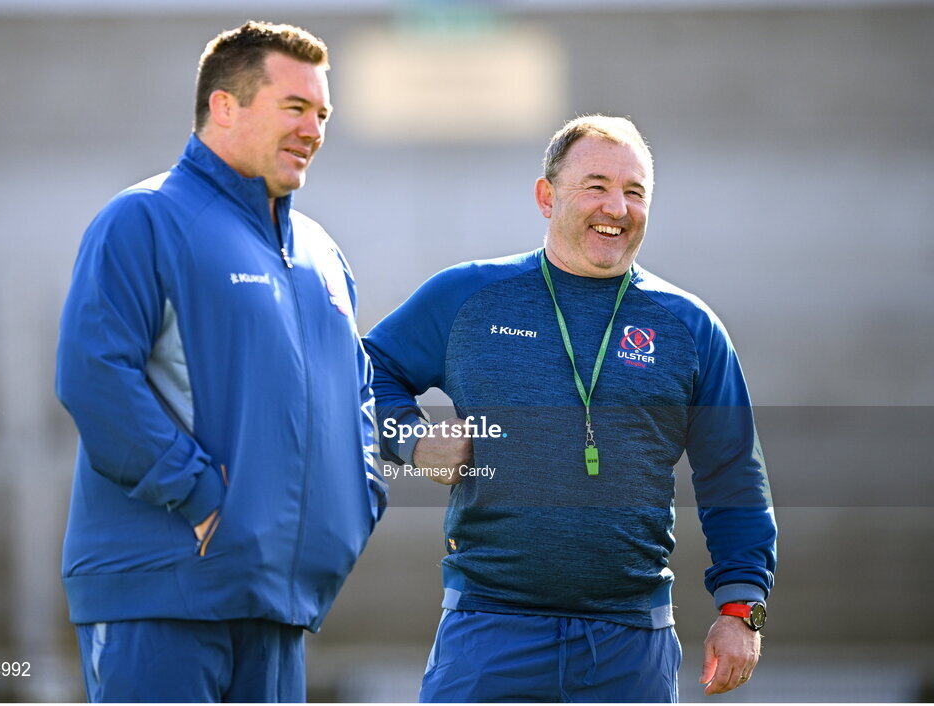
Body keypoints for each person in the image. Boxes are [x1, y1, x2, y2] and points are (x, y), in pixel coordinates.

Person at [363, 115, 776, 702]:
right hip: (489, 629)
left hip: (631, 642)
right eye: (596, 185)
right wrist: (408, 437)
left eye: (635, 192)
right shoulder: (468, 297)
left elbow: (734, 474)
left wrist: (741, 608)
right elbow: (359, 375)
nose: (617, 206)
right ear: (546, 195)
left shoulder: (689, 327)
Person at [55, 20, 386, 703]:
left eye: (321, 113)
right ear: (224, 106)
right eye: (294, 108)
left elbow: (355, 396)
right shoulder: (143, 220)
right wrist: (205, 501)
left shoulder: (322, 253)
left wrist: (354, 505)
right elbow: (93, 376)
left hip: (276, 602)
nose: (313, 130)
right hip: (163, 588)